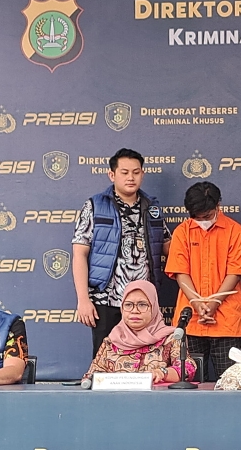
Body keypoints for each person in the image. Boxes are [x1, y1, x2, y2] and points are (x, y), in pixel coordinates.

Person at [72, 148, 171, 358]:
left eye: (136, 172)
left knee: (144, 360)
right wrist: (83, 299)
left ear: (142, 174)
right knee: (105, 361)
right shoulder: (95, 206)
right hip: (106, 299)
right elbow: (79, 253)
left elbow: (168, 246)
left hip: (143, 302)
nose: (130, 177)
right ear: (112, 174)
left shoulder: (152, 207)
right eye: (124, 172)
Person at [165, 181, 241, 378]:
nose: (202, 221)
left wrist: (214, 303)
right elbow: (179, 271)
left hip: (226, 321)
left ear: (218, 205)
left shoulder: (235, 231)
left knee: (229, 380)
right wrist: (197, 303)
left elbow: (235, 272)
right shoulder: (182, 231)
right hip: (190, 319)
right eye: (197, 217)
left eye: (207, 216)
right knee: (188, 381)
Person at [83, 280, 196, 383]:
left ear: (153, 307)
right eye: (128, 305)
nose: (135, 311)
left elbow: (186, 368)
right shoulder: (111, 342)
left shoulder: (171, 338)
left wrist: (162, 373)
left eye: (142, 305)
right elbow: (92, 375)